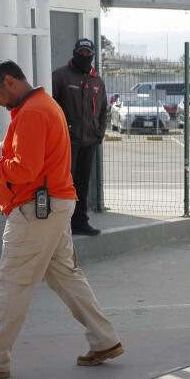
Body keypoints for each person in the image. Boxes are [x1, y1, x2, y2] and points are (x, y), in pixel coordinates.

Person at [0, 60, 123, 379]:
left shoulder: (32, 112)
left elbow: (24, 171)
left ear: (9, 82)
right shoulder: (42, 105)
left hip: (35, 210)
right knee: (66, 276)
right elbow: (30, 157)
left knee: (12, 283)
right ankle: (105, 340)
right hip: (54, 206)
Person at [52, 38, 107, 236]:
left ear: (92, 55)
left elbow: (103, 111)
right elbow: (51, 109)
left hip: (89, 142)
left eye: (87, 53)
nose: (84, 56)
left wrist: (99, 133)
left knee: (82, 184)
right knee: (65, 184)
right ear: (75, 52)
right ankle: (61, 225)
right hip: (68, 143)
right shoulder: (60, 76)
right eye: (81, 52)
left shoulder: (97, 81)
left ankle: (80, 223)